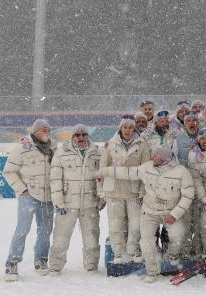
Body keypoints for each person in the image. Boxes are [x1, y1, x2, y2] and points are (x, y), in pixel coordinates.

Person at [128, 144, 196, 283]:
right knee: (146, 242)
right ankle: (152, 271)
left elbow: (188, 196)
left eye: (155, 155)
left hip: (170, 212)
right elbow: (127, 172)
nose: (152, 157)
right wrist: (103, 172)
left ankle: (173, 254)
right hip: (149, 211)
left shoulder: (181, 172)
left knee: (178, 235)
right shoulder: (147, 167)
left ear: (164, 158)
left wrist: (174, 214)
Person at [3, 118, 58, 281]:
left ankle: (41, 260)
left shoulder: (54, 147)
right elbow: (8, 171)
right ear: (35, 132)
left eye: (48, 130)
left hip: (47, 196)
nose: (46, 133)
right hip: (28, 196)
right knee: (22, 229)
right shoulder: (22, 147)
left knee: (45, 230)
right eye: (43, 131)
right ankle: (12, 263)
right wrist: (22, 189)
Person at [47, 124, 102, 275]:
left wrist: (101, 199)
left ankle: (91, 265)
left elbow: (103, 178)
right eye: (77, 135)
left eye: (84, 135)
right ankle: (56, 266)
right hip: (67, 204)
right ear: (73, 137)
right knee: (60, 237)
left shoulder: (98, 153)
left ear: (88, 136)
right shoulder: (61, 153)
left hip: (90, 203)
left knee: (92, 237)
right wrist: (58, 202)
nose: (81, 138)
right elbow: (55, 179)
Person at [99, 115, 151, 264]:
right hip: (113, 191)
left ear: (134, 128)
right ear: (120, 128)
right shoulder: (111, 144)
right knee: (116, 225)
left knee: (135, 225)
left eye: (130, 127)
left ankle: (133, 250)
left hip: (134, 192)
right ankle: (118, 253)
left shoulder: (142, 144)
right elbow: (102, 169)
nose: (128, 130)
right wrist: (100, 191)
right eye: (125, 127)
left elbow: (146, 170)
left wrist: (143, 192)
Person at [171, 113, 203, 256]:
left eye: (194, 120)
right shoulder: (178, 140)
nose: (191, 123)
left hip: (201, 185)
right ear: (184, 124)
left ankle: (198, 249)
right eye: (188, 121)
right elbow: (173, 163)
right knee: (186, 219)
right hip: (184, 186)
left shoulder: (205, 138)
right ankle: (185, 250)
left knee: (200, 220)